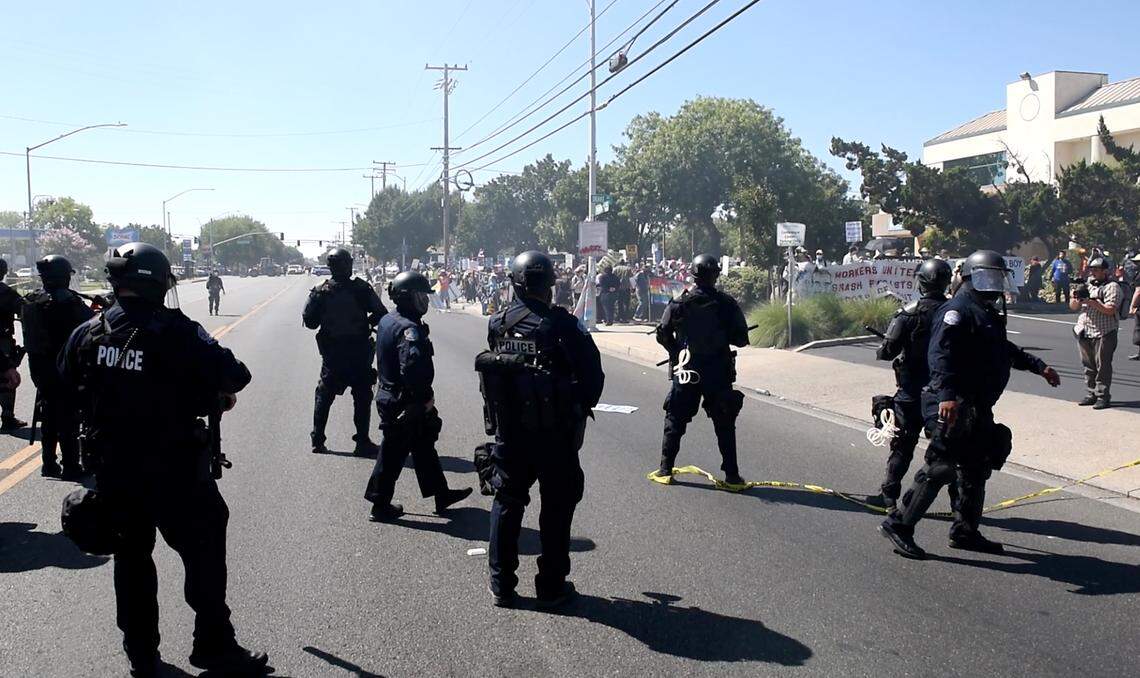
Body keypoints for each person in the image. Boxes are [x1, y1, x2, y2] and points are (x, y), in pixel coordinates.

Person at [59, 243, 267, 677]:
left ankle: (142, 657)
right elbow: (236, 375)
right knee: (205, 556)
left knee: (132, 561)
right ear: (158, 282)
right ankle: (214, 646)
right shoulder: (177, 331)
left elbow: (63, 385)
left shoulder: (88, 331)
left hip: (114, 472)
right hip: (175, 471)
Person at [880, 250, 1059, 559]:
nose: (994, 285)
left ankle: (965, 531)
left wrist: (1038, 366)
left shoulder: (984, 312)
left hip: (975, 405)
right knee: (940, 467)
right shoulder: (957, 311)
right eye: (989, 277)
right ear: (971, 279)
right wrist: (947, 395)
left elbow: (1003, 349)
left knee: (977, 467)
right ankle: (899, 524)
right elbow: (941, 355)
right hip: (950, 404)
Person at [479, 251, 604, 608]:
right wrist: (576, 407)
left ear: (515, 285)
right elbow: (593, 378)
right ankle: (551, 585)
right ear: (548, 287)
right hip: (555, 437)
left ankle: (502, 584)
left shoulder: (497, 323)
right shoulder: (563, 325)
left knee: (507, 503)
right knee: (556, 508)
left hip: (510, 434)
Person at [365, 271, 471, 521]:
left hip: (392, 395)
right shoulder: (408, 329)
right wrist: (423, 399)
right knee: (392, 453)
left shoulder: (389, 320)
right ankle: (379, 504)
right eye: (421, 295)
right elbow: (412, 368)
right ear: (407, 297)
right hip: (405, 400)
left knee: (423, 444)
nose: (424, 300)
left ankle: (440, 493)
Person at [649, 254, 751, 488]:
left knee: (675, 419)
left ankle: (665, 470)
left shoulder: (679, 303)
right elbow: (741, 339)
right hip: (718, 371)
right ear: (715, 275)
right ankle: (732, 477)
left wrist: (676, 353)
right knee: (724, 422)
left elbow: (662, 334)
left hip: (687, 369)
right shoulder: (727, 303)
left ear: (693, 275)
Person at [868, 259, 956, 510]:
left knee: (902, 446)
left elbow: (887, 351)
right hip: (943, 393)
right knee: (947, 452)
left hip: (911, 391)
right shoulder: (954, 311)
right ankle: (959, 509)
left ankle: (889, 497)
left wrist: (885, 344)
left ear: (922, 283)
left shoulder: (910, 312)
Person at [303, 248, 386, 456]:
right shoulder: (361, 289)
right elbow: (381, 314)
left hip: (334, 355)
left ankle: (318, 439)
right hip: (357, 353)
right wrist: (364, 322)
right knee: (361, 396)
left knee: (324, 394)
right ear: (347, 265)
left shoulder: (321, 291)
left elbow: (310, 321)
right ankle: (362, 441)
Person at [22, 255, 94, 479]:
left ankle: (48, 463)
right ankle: (71, 465)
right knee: (68, 417)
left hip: (40, 370)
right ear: (64, 276)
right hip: (65, 369)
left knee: (49, 414)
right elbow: (91, 325)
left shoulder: (31, 300)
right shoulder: (70, 302)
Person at [1070, 257, 1121, 409]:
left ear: (1105, 271)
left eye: (1096, 269)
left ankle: (1103, 396)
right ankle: (1090, 393)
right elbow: (1073, 307)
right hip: (1084, 330)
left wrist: (1092, 301)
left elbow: (1110, 309)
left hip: (1104, 331)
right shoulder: (1086, 285)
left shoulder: (1112, 287)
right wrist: (1077, 296)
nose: (1093, 272)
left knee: (1103, 366)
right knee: (1088, 366)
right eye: (1091, 269)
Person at [0, 259, 26, 431]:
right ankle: (8, 417)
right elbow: (25, 312)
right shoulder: (6, 293)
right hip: (2, 341)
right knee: (7, 379)